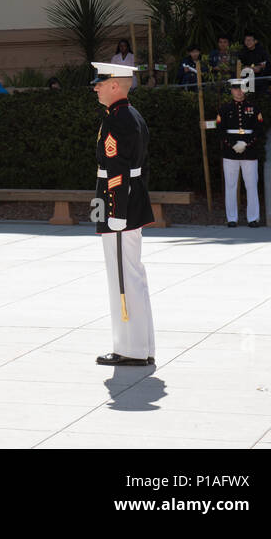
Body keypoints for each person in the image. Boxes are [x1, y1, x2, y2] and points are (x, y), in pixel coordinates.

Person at [90, 61, 156, 367]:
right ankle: (141, 345)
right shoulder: (126, 115)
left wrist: (115, 211)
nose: (96, 88)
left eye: (101, 83)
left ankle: (131, 349)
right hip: (126, 201)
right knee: (131, 274)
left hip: (120, 206)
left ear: (116, 84)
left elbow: (118, 170)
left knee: (123, 277)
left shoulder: (120, 119)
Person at [217, 79, 266, 228]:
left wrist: (246, 143)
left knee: (251, 185)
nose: (239, 91)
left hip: (249, 152)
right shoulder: (224, 109)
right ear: (231, 90)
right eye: (235, 89)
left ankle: (253, 218)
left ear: (245, 90)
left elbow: (259, 129)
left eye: (241, 89)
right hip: (230, 153)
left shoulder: (253, 108)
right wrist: (233, 145)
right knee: (230, 185)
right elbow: (220, 130)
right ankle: (231, 218)